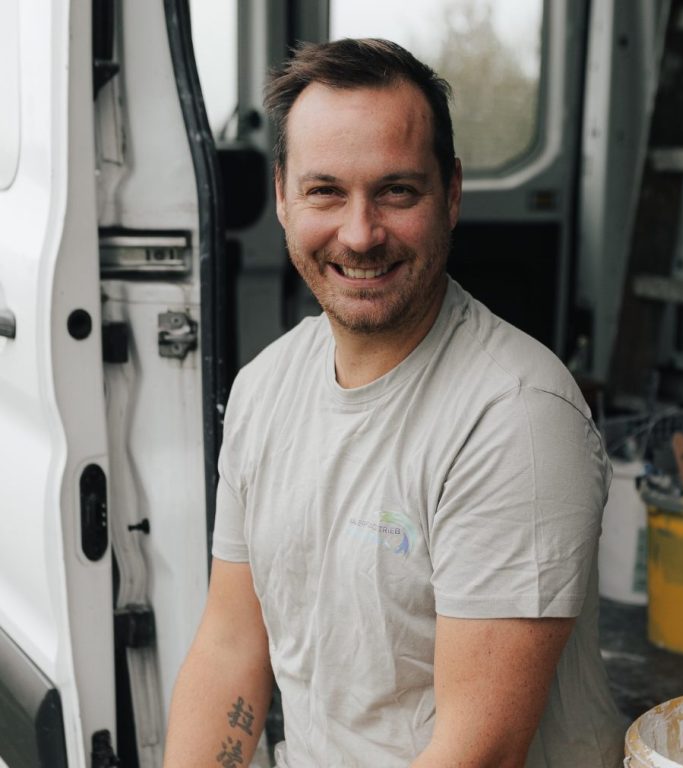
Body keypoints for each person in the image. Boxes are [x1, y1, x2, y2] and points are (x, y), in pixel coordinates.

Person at [164, 38, 626, 768]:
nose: (360, 234)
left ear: (452, 193)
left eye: (397, 192)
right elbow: (230, 649)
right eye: (325, 191)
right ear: (282, 196)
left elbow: (477, 752)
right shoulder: (264, 387)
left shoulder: (516, 417)